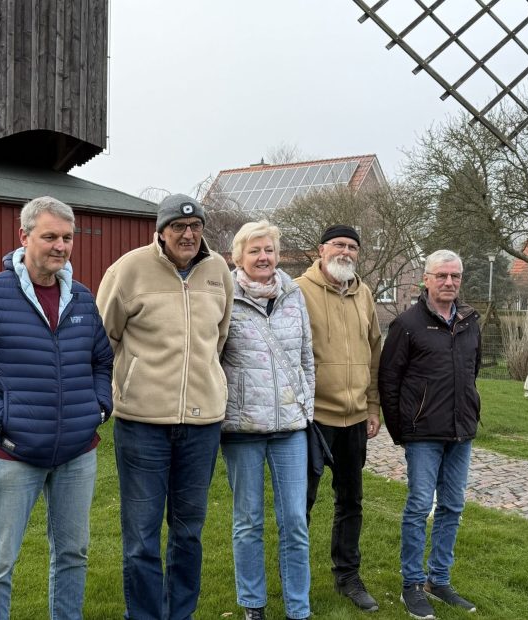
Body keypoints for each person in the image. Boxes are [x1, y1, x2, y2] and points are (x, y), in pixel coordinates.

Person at [0, 196, 113, 620]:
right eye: (50, 236)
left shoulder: (82, 299)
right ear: (24, 236)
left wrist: (99, 408)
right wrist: (3, 422)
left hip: (77, 453)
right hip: (12, 454)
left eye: (67, 238)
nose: (60, 246)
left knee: (73, 554)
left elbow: (101, 361)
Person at [95, 193, 233, 620]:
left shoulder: (218, 272)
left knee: (189, 532)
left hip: (202, 425)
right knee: (141, 534)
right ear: (161, 231)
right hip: (142, 424)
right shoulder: (129, 269)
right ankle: (144, 615)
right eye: (178, 227)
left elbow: (221, 337)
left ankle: (181, 613)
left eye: (195, 227)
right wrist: (124, 384)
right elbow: (104, 338)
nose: (188, 234)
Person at [219, 221, 314, 620]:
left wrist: (305, 404)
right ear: (238, 257)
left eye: (269, 250)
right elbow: (214, 355)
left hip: (290, 429)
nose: (263, 257)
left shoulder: (294, 296)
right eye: (255, 250)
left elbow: (307, 355)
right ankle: (252, 605)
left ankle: (298, 607)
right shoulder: (225, 297)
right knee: (248, 522)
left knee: (294, 521)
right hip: (242, 429)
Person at [379, 249, 481, 620]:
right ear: (426, 279)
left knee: (452, 507)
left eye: (455, 276)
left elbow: (471, 373)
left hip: (461, 432)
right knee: (420, 506)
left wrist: (470, 412)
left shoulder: (470, 321)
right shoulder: (407, 324)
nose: (449, 282)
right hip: (422, 434)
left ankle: (439, 580)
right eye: (441, 276)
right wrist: (401, 430)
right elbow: (388, 380)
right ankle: (412, 585)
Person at [295, 224, 381, 613]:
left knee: (351, 501)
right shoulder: (297, 290)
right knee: (303, 504)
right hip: (314, 419)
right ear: (322, 249)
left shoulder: (364, 294)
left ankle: (348, 576)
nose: (345, 252)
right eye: (338, 245)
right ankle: (295, 578)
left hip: (355, 418)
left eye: (352, 247)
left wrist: (373, 406)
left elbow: (375, 351)